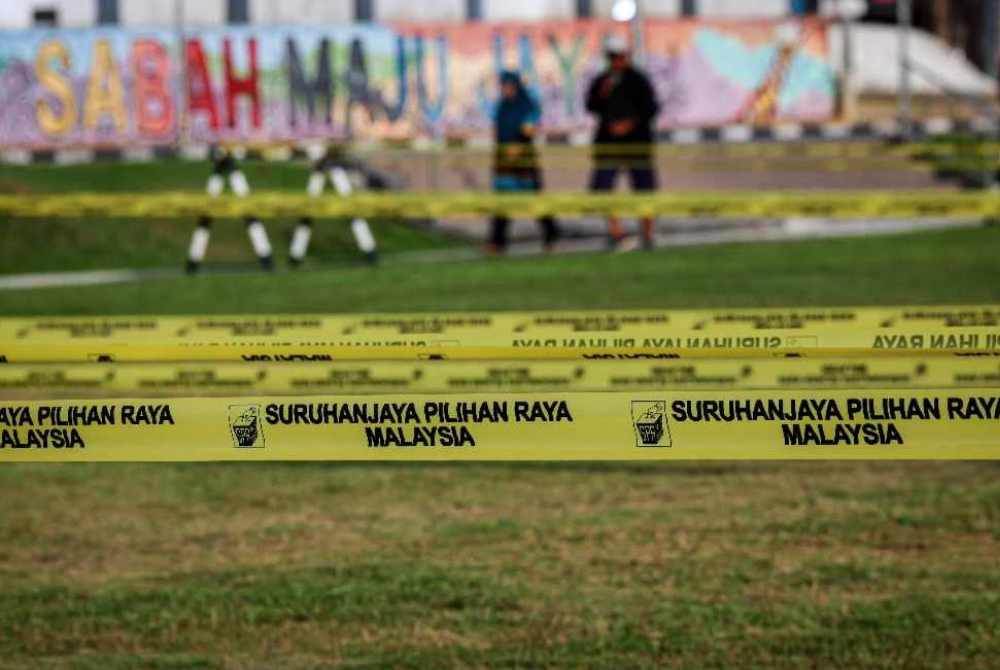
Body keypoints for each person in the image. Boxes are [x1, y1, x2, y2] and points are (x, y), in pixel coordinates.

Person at [585, 34, 660, 249]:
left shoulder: (638, 80)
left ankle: (647, 233)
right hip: (609, 144)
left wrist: (629, 124)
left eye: (619, 56)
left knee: (645, 188)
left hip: (637, 142)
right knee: (602, 188)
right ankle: (617, 232)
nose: (616, 61)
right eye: (612, 57)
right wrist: (602, 94)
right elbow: (591, 105)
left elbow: (651, 108)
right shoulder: (602, 81)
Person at [485, 70, 560, 255]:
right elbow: (498, 130)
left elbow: (529, 129)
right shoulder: (503, 106)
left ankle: (552, 236)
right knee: (502, 203)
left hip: (524, 162)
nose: (506, 89)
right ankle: (497, 242)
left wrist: (518, 144)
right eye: (504, 85)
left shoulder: (526, 105)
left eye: (509, 85)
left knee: (536, 201)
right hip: (504, 162)